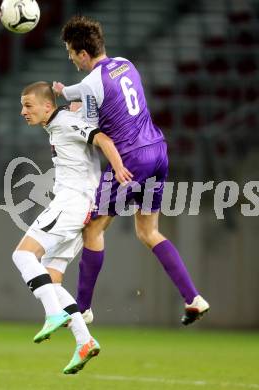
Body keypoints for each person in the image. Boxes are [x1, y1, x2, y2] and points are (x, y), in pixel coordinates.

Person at [52, 15, 210, 326]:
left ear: (83, 53)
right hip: (157, 151)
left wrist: (73, 106)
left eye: (71, 53)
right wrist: (63, 91)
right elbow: (95, 94)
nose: (71, 58)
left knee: (93, 228)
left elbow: (95, 122)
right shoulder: (125, 63)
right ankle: (194, 298)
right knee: (148, 231)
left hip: (130, 160)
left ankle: (82, 307)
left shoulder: (89, 83)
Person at [13, 81, 132, 374]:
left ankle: (52, 314)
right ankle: (85, 341)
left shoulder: (64, 122)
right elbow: (85, 114)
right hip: (79, 206)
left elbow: (101, 138)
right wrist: (74, 98)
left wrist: (118, 168)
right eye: (22, 105)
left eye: (28, 106)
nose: (23, 112)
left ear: (47, 106)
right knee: (52, 282)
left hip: (71, 202)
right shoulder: (60, 121)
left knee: (23, 255)